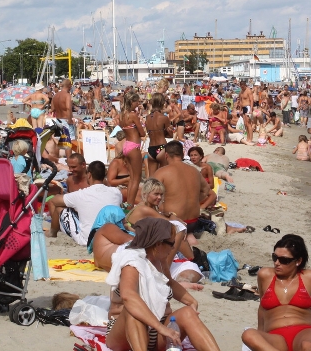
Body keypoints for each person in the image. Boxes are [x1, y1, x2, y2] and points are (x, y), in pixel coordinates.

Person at [105, 218, 220, 351]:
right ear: (158, 243)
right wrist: (161, 328)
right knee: (133, 311)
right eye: (171, 244)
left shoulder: (159, 260)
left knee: (188, 313)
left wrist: (191, 302)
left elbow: (169, 282)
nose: (173, 249)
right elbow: (128, 296)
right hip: (125, 332)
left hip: (156, 330)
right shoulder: (132, 262)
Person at [241, 234, 311, 351]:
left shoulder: (310, 277)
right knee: (248, 334)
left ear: (298, 261)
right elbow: (262, 309)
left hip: (304, 332)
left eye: (283, 260)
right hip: (275, 336)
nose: (277, 263)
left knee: (307, 346)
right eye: (274, 257)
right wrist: (261, 334)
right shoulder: (265, 275)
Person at [155, 140, 215, 236]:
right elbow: (206, 190)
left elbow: (150, 195)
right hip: (193, 222)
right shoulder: (194, 171)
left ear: (166, 155)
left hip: (174, 221)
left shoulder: (162, 172)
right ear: (183, 154)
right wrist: (194, 201)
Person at [45, 174, 123, 244]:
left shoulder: (81, 193)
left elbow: (53, 201)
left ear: (89, 175)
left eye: (73, 167)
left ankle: (53, 233)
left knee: (59, 208)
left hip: (87, 239)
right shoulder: (116, 192)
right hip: (112, 237)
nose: (71, 170)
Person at [120, 92, 146, 207]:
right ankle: (130, 205)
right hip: (134, 146)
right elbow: (142, 132)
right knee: (137, 178)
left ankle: (127, 203)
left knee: (131, 178)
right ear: (132, 102)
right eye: (137, 102)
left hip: (126, 145)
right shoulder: (133, 115)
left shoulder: (122, 115)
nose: (138, 103)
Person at [89, 205, 134, 270]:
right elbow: (134, 241)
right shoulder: (108, 228)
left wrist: (128, 228)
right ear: (111, 217)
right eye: (121, 218)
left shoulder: (98, 234)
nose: (125, 220)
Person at [146, 93, 173, 176]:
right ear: (162, 103)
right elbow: (170, 135)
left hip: (151, 149)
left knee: (151, 177)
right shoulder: (164, 118)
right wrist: (164, 132)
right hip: (161, 147)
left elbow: (149, 132)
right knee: (164, 175)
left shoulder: (147, 117)